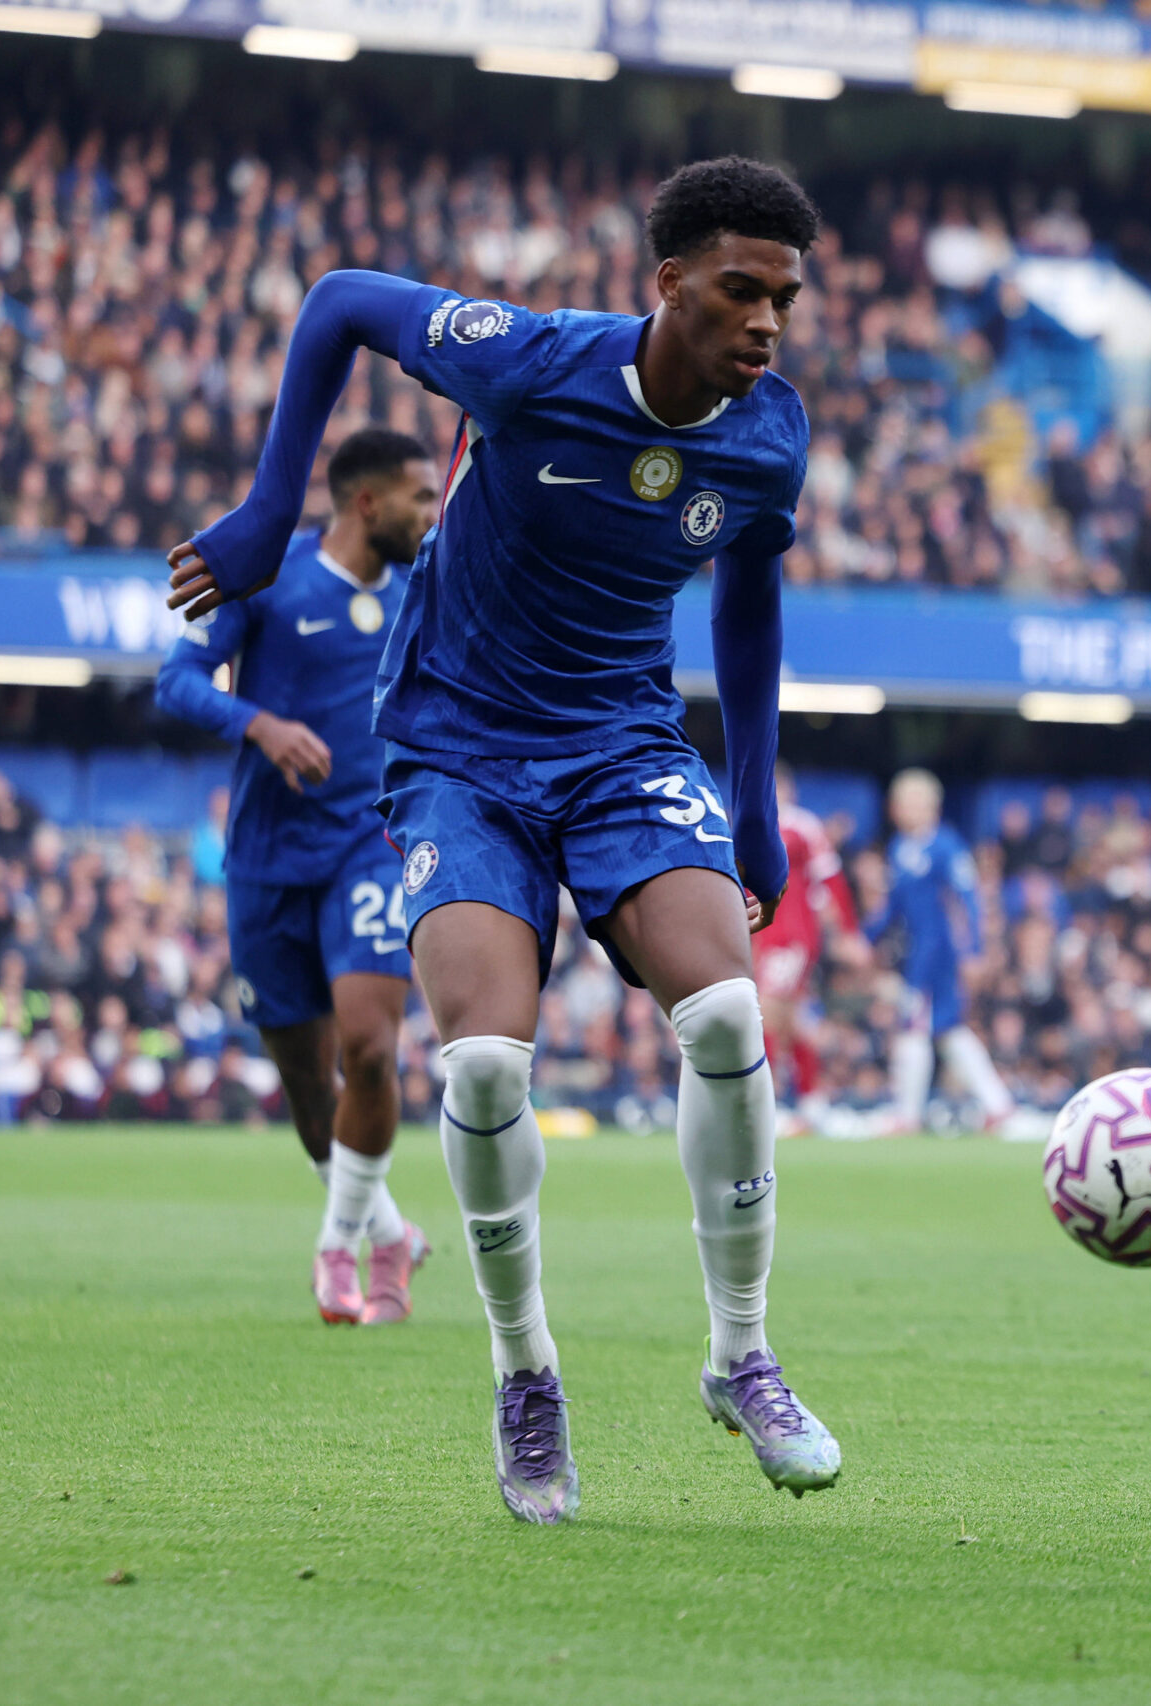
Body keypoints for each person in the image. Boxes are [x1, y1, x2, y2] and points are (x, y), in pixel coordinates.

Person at [165, 156, 839, 1525]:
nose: (766, 320)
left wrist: (755, 799)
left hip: (624, 745)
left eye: (785, 296)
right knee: (479, 1059)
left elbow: (749, 608)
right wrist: (263, 510)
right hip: (458, 748)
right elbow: (344, 299)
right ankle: (525, 1370)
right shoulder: (530, 364)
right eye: (738, 289)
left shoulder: (770, 433)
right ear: (669, 285)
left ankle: (743, 1352)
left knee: (723, 1014)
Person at [154, 426, 437, 1326]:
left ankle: (334, 1253)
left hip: (369, 847)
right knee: (310, 1089)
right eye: (419, 500)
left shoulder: (420, 597)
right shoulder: (269, 578)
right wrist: (260, 725)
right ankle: (386, 1232)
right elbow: (177, 680)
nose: (431, 518)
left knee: (367, 1048)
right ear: (367, 503)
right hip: (269, 861)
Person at [868, 769, 1013, 1134]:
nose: (904, 810)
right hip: (917, 953)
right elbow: (893, 908)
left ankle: (907, 1114)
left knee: (916, 1027)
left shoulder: (946, 846)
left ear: (931, 806)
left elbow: (967, 898)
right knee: (947, 1030)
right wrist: (867, 937)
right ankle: (997, 1105)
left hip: (941, 954)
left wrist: (974, 949)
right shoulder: (900, 849)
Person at [750, 764, 865, 1133]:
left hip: (791, 936)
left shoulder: (800, 825)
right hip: (764, 937)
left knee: (766, 1012)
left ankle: (764, 1107)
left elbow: (830, 876)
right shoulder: (745, 826)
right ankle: (812, 1102)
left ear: (787, 787)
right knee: (793, 1020)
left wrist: (847, 930)